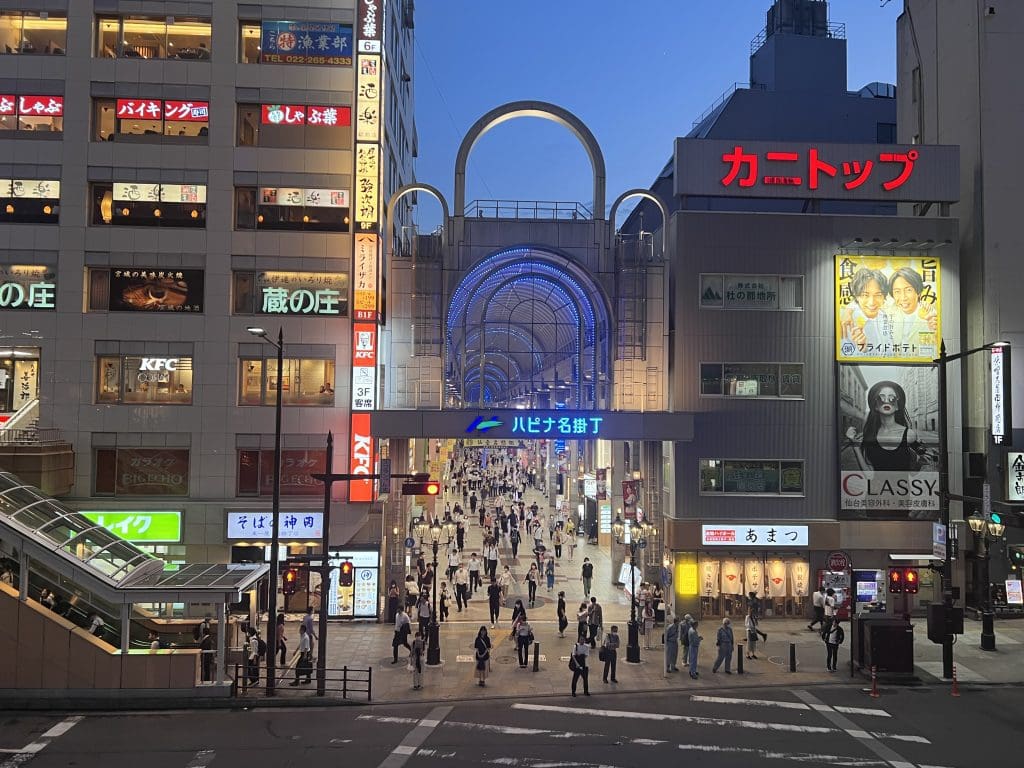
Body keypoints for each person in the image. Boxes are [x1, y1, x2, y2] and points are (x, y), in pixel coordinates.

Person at [840, 266, 893, 354]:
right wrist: (862, 349)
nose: (872, 302)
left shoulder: (884, 315)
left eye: (878, 295)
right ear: (857, 296)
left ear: (884, 296)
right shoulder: (847, 323)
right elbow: (843, 357)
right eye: (865, 295)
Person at [888, 266, 937, 350]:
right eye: (897, 291)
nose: (903, 297)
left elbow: (929, 351)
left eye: (908, 290)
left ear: (918, 292)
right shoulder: (888, 313)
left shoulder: (929, 315)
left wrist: (933, 332)